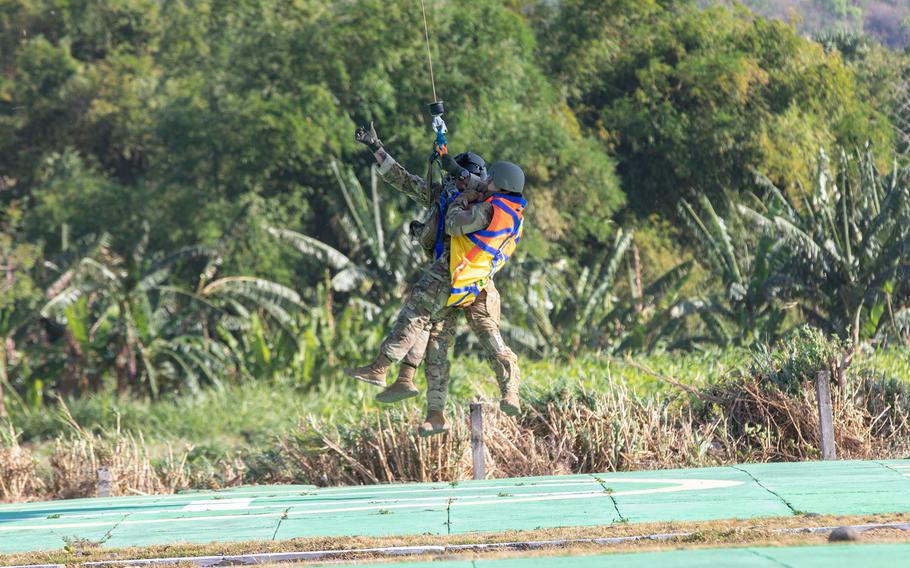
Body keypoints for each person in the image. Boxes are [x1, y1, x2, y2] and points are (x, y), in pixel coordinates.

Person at [346, 123, 525, 436]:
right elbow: (404, 180)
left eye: (465, 177)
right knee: (438, 342)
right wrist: (377, 148)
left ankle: (389, 370)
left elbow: (461, 220)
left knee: (424, 319)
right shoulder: (448, 194)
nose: (458, 181)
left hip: (470, 282)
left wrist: (462, 196)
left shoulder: (480, 202)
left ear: (486, 179)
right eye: (455, 177)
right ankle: (434, 410)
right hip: (457, 278)